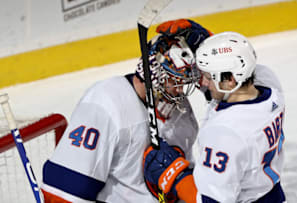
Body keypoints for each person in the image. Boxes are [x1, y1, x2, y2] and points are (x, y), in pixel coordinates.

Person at [41, 19, 212, 203]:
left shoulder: (181, 112)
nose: (180, 91)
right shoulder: (106, 102)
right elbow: (64, 191)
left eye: (184, 82)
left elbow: (227, 93)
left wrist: (207, 42)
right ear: (155, 72)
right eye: (174, 81)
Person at [143, 31, 286, 203]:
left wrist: (175, 176)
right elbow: (242, 60)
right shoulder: (271, 89)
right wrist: (204, 40)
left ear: (231, 80)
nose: (203, 83)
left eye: (209, 77)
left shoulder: (224, 133)